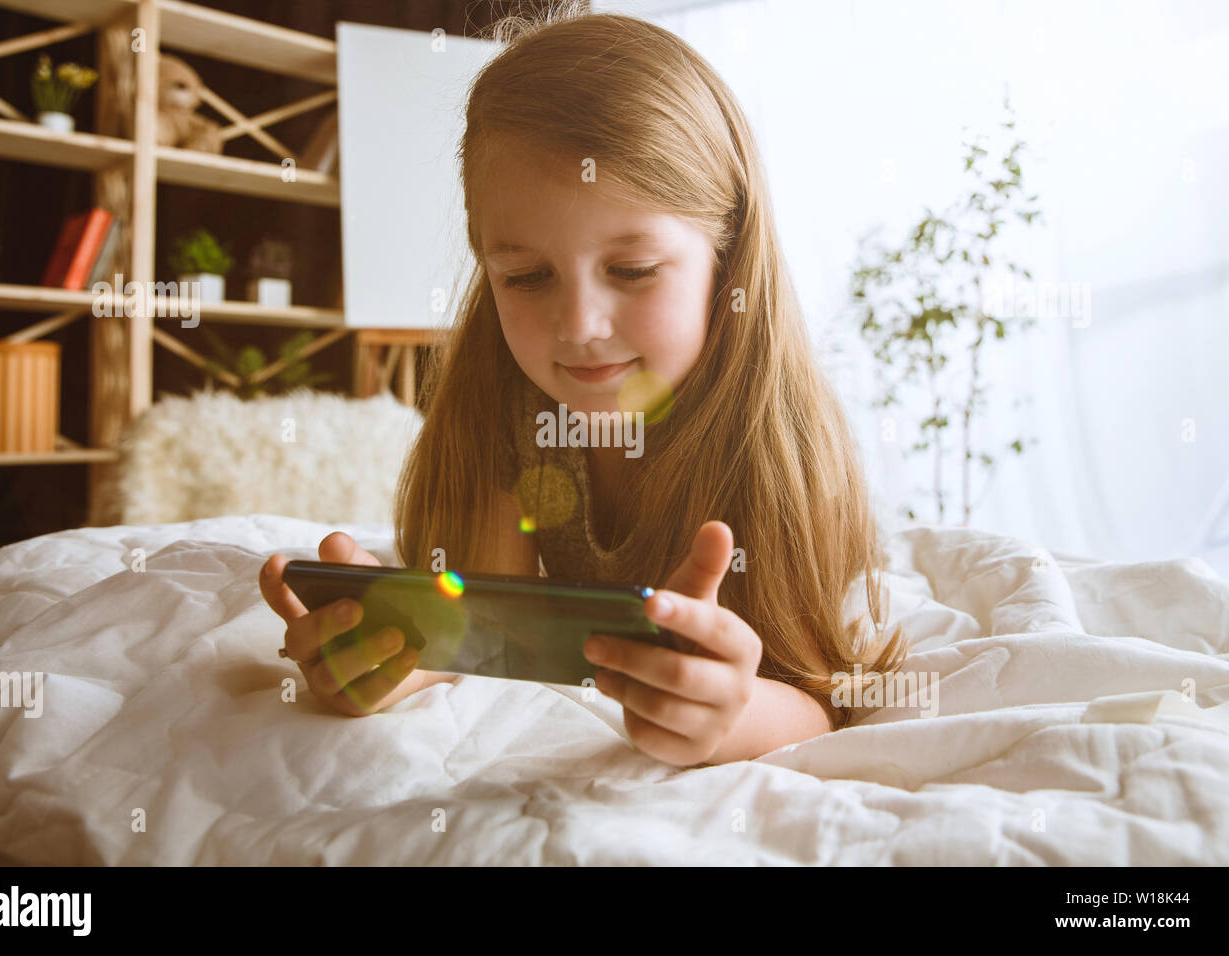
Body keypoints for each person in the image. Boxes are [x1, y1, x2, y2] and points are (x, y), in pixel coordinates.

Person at [260, 3, 907, 767]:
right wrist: (395, 650)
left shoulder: (782, 447)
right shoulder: (501, 403)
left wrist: (729, 714)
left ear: (726, 260)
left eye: (631, 271)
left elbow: (821, 700)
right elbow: (484, 625)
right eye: (527, 276)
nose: (579, 324)